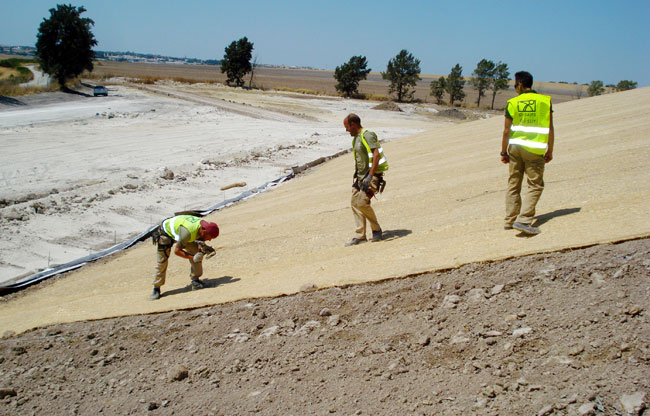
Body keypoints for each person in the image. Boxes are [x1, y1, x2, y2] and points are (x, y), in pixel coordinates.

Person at [500, 71, 555, 235]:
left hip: (516, 148)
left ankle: (510, 219)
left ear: (521, 84)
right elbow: (550, 128)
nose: (515, 87)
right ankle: (524, 220)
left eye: (515, 84)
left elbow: (505, 131)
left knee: (513, 183)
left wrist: (503, 152)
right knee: (535, 185)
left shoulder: (513, 103)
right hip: (534, 149)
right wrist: (550, 150)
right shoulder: (545, 101)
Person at [343, 113, 389, 246]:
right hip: (360, 177)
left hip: (372, 176)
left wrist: (370, 176)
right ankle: (360, 235)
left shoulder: (367, 135)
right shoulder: (356, 138)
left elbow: (376, 155)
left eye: (347, 127)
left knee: (362, 203)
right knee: (354, 203)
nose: (346, 130)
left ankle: (376, 230)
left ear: (353, 124)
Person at [150, 215, 219, 300]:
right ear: (203, 231)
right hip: (166, 233)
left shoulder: (202, 227)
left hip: (182, 231)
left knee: (197, 254)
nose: (210, 240)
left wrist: (203, 249)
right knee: (162, 261)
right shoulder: (188, 233)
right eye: (210, 238)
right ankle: (156, 288)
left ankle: (196, 282)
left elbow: (198, 239)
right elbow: (177, 251)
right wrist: (193, 257)